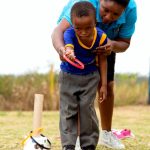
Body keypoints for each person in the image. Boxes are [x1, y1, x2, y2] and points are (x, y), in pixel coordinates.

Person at [51, 0, 137, 149]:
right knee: (73, 101)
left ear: (124, 10)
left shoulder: (130, 10)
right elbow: (58, 32)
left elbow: (125, 42)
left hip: (105, 44)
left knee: (106, 87)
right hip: (73, 47)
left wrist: (112, 45)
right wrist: (62, 49)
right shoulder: (81, 5)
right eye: (105, 10)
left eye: (116, 14)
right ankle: (75, 138)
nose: (108, 17)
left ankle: (106, 134)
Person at [57, 1, 108, 150]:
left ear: (95, 22)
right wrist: (69, 52)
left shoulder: (101, 37)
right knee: (68, 109)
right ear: (73, 24)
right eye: (78, 28)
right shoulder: (69, 33)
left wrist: (103, 84)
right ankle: (68, 144)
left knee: (87, 109)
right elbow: (69, 47)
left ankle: (89, 144)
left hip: (91, 77)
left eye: (88, 27)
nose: (83, 32)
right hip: (68, 76)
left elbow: (103, 60)